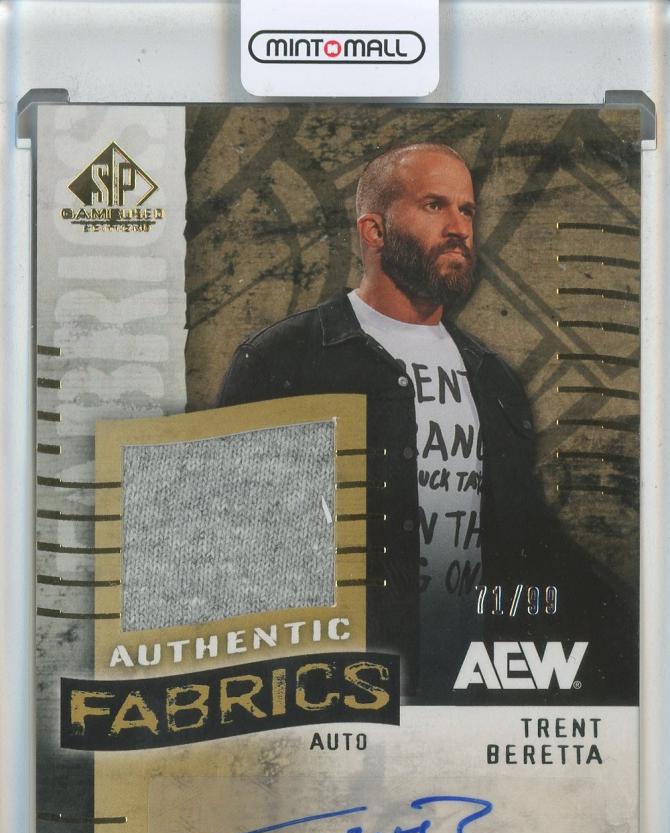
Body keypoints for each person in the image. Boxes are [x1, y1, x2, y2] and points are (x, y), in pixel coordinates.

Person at [215, 143, 633, 703]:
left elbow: (526, 544)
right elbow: (224, 555)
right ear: (374, 230)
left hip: (472, 694)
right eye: (434, 205)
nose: (459, 227)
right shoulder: (285, 359)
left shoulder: (493, 379)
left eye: (467, 209)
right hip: (338, 698)